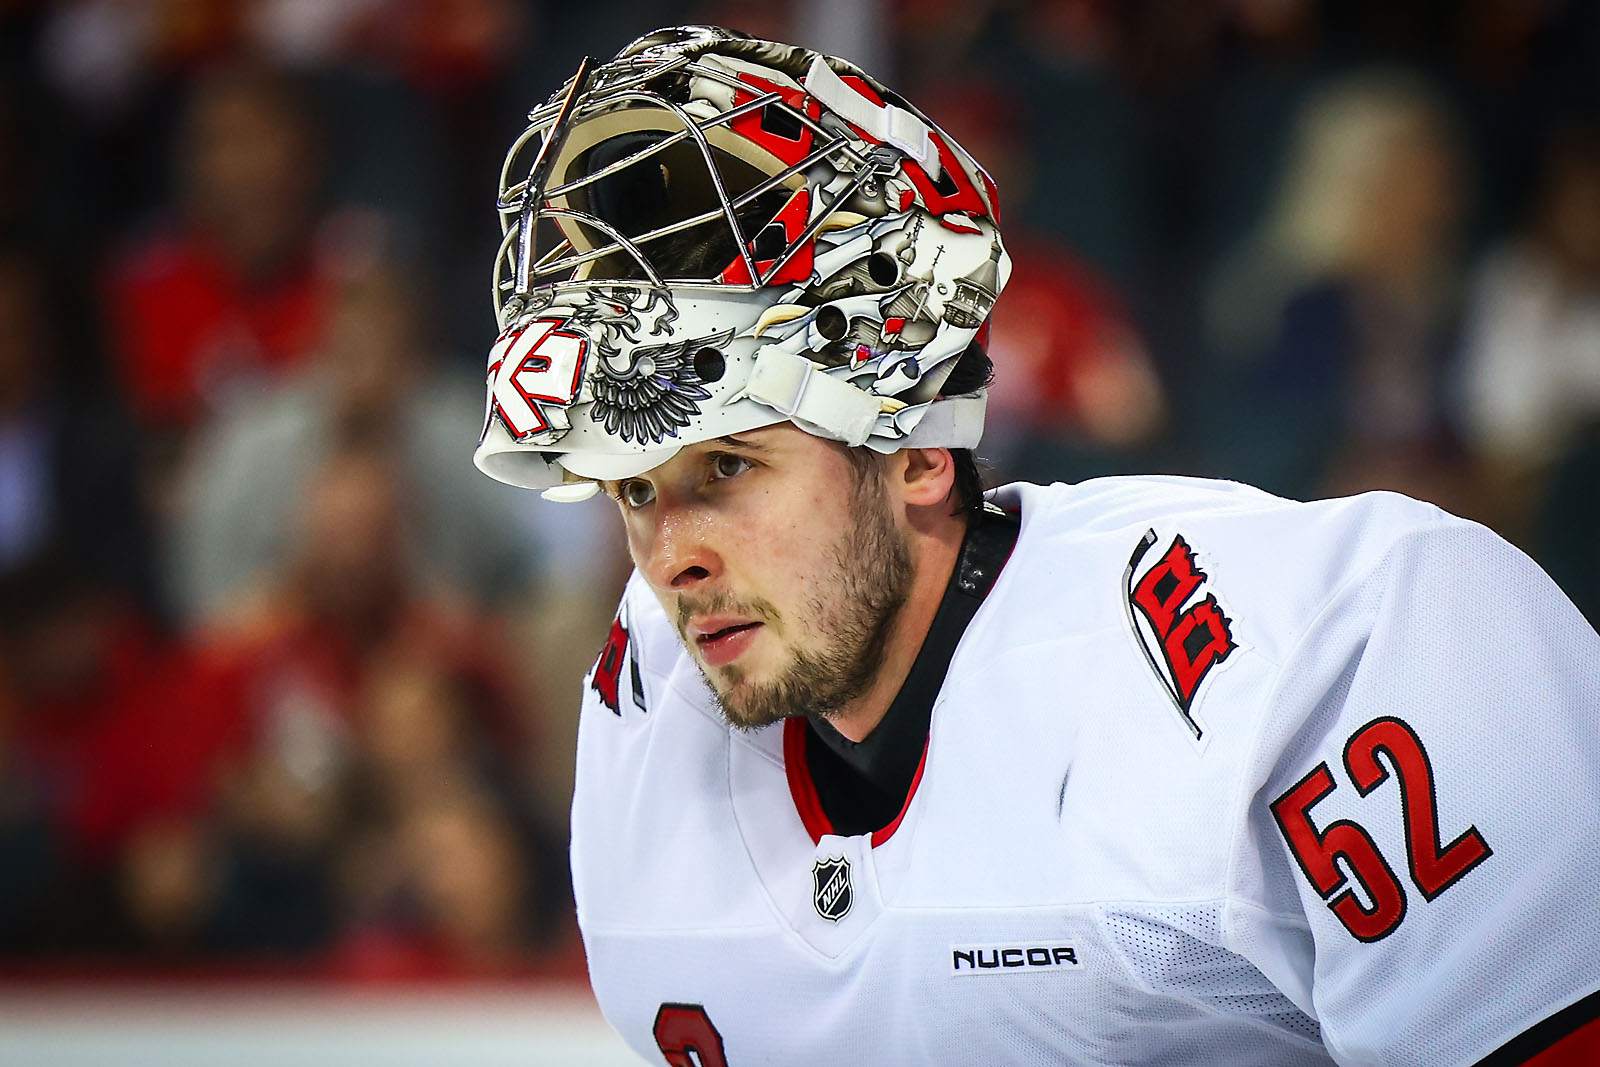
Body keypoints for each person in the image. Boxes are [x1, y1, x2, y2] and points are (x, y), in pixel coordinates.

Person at [470, 26, 1600, 1065]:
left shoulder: (1318, 644)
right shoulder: (649, 717)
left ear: (915, 450)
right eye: (633, 488)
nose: (670, 559)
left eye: (726, 467)